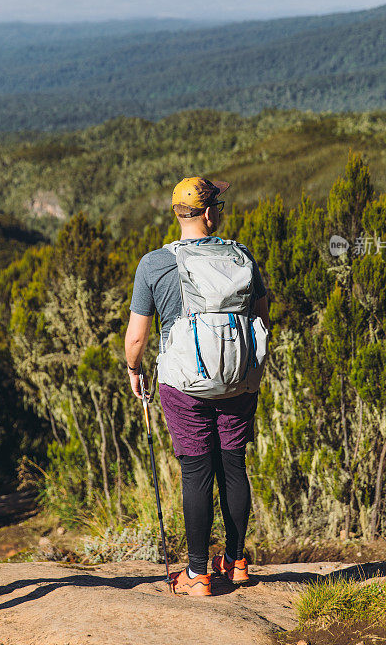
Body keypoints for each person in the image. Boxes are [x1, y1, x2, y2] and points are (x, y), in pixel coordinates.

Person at [124, 176, 269, 597]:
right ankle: (238, 562)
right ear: (210, 213)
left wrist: (136, 371)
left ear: (177, 213)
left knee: (196, 471)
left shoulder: (154, 264)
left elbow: (136, 340)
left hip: (183, 385)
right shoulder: (242, 256)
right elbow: (261, 313)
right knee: (233, 464)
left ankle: (197, 574)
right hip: (239, 382)